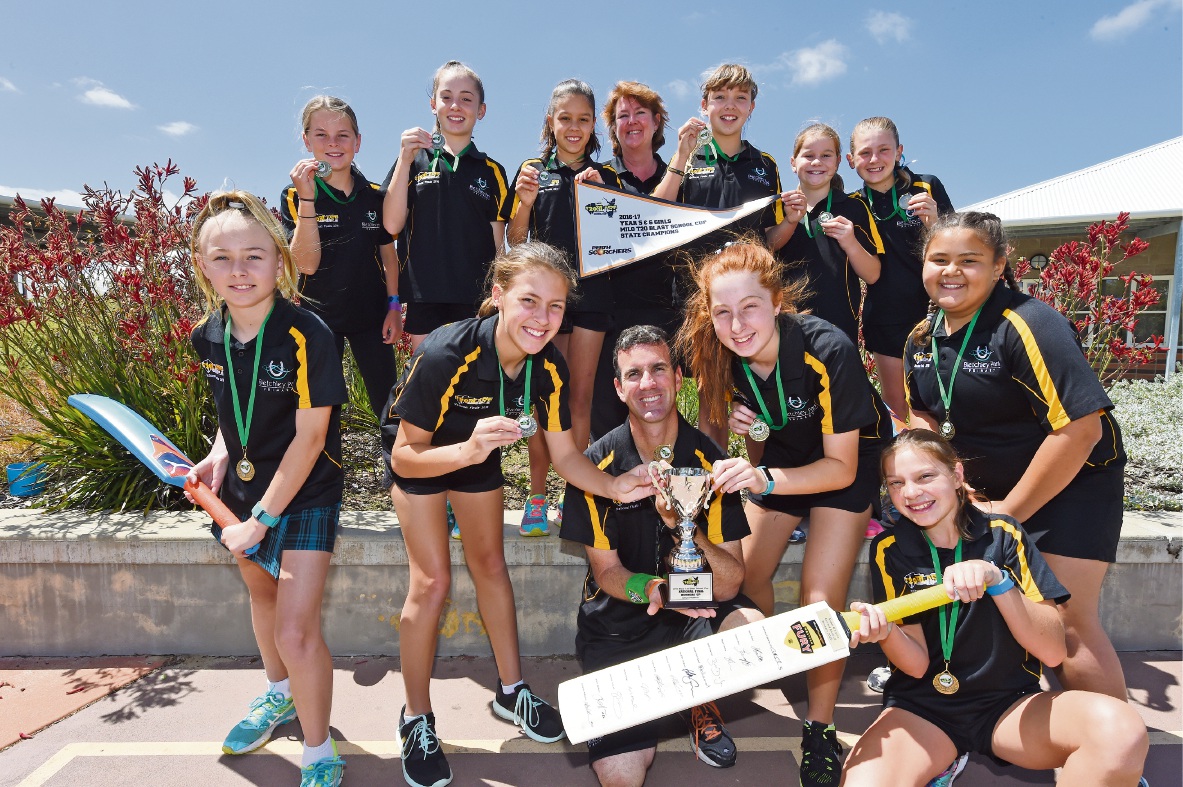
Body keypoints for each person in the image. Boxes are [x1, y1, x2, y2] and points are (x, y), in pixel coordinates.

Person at [381, 242, 654, 787]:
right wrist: (467, 450)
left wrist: (616, 486)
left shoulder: (546, 369)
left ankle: (512, 693)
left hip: (475, 457)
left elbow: (567, 455)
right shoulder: (445, 352)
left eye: (556, 307)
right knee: (431, 583)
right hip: (425, 457)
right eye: (530, 301)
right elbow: (403, 454)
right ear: (498, 296)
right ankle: (415, 718)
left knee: (491, 568)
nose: (544, 318)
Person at [675, 240, 890, 787]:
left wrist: (762, 477)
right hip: (784, 462)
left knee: (819, 602)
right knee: (741, 577)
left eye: (749, 307)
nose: (736, 323)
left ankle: (819, 729)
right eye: (722, 311)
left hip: (845, 465)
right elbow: (758, 435)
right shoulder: (721, 350)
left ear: (776, 302)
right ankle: (766, 659)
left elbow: (839, 468)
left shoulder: (827, 347)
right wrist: (755, 446)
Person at [902, 211, 1130, 702]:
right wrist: (948, 483)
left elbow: (1081, 431)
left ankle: (1116, 761)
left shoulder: (1031, 324)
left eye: (970, 260)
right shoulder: (920, 338)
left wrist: (1007, 515)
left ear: (1000, 263)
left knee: (1064, 623)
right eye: (938, 259)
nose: (951, 271)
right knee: (992, 614)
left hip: (1073, 486)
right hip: (990, 494)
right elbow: (924, 416)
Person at [842, 429, 1148, 786]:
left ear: (956, 475)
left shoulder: (1003, 534)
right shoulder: (888, 548)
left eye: (925, 476)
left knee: (1121, 733)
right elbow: (916, 663)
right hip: (924, 709)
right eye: (896, 483)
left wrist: (998, 581)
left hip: (1009, 706)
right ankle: (939, 761)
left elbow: (1052, 651)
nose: (910, 493)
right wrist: (887, 632)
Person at [188, 191, 348, 787]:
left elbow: (309, 440)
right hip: (241, 493)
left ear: (278, 260)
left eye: (253, 255)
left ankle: (319, 748)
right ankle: (278, 693)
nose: (239, 270)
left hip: (303, 493)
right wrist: (216, 456)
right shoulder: (208, 335)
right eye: (222, 257)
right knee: (262, 597)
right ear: (203, 266)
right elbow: (235, 418)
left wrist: (259, 516)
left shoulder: (308, 334)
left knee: (295, 628)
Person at [561, 324, 766, 786]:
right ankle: (667, 693)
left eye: (657, 369)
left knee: (752, 632)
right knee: (620, 773)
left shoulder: (712, 460)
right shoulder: (594, 467)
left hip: (695, 614)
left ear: (677, 377)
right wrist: (652, 588)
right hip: (618, 627)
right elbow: (607, 571)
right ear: (618, 388)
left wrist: (681, 526)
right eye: (634, 374)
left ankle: (698, 697)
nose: (648, 384)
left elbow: (732, 582)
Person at [507, 79, 624, 535]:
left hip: (593, 298)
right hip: (547, 303)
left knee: (579, 401)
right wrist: (525, 202)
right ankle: (537, 496)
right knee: (544, 401)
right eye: (564, 118)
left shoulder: (606, 176)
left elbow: (617, 245)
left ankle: (573, 493)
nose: (573, 128)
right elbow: (516, 241)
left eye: (582, 119)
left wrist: (600, 200)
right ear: (550, 122)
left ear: (594, 124)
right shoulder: (532, 170)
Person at [280, 95, 400, 421]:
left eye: (342, 135)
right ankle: (325, 473)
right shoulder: (294, 195)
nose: (333, 143)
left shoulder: (375, 195)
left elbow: (389, 257)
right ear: (307, 141)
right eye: (321, 134)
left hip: (372, 317)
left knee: (390, 407)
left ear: (357, 142)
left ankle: (401, 470)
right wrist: (307, 199)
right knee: (321, 410)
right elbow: (305, 264)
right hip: (318, 320)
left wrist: (393, 307)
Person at [381, 60, 510, 351]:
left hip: (477, 299)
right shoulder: (412, 160)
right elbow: (391, 225)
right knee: (427, 386)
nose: (455, 106)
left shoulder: (492, 171)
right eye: (447, 97)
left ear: (481, 110)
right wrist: (403, 159)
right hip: (424, 296)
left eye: (466, 99)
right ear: (433, 104)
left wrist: (499, 294)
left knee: (473, 391)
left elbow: (498, 245)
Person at [847, 117, 954, 424]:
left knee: (946, 400)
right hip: (885, 318)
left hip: (938, 312)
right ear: (851, 159)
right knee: (898, 407)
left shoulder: (926, 186)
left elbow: (957, 247)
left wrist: (934, 221)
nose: (875, 159)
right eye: (865, 153)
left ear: (899, 151)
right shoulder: (853, 204)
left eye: (884, 150)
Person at [590, 81, 680, 441]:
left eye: (640, 113)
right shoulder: (598, 177)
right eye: (622, 116)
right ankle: (608, 491)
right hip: (611, 312)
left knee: (662, 407)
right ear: (613, 127)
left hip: (668, 312)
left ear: (656, 122)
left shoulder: (681, 177)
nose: (631, 122)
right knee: (607, 411)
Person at [778, 123, 883, 348]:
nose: (817, 162)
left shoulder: (855, 208)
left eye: (826, 155)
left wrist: (850, 242)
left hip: (840, 329)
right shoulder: (778, 207)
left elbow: (873, 275)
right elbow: (766, 249)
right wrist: (788, 221)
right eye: (808, 155)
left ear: (837, 162)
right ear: (793, 163)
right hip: (785, 326)